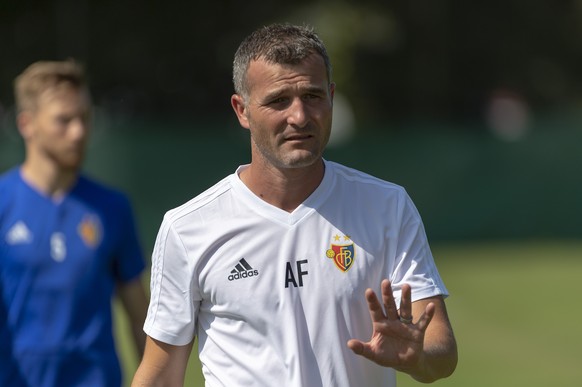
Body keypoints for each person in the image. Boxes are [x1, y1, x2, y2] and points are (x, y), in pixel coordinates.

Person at [132, 23, 457, 386]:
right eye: (278, 100)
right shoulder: (188, 228)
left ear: (332, 97)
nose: (299, 116)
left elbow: (440, 349)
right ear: (242, 110)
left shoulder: (386, 206)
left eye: (313, 96)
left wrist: (417, 359)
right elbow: (160, 377)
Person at [0, 60, 149, 386]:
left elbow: (140, 315)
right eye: (63, 121)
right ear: (27, 124)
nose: (78, 132)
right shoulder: (3, 203)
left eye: (84, 118)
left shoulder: (111, 207)